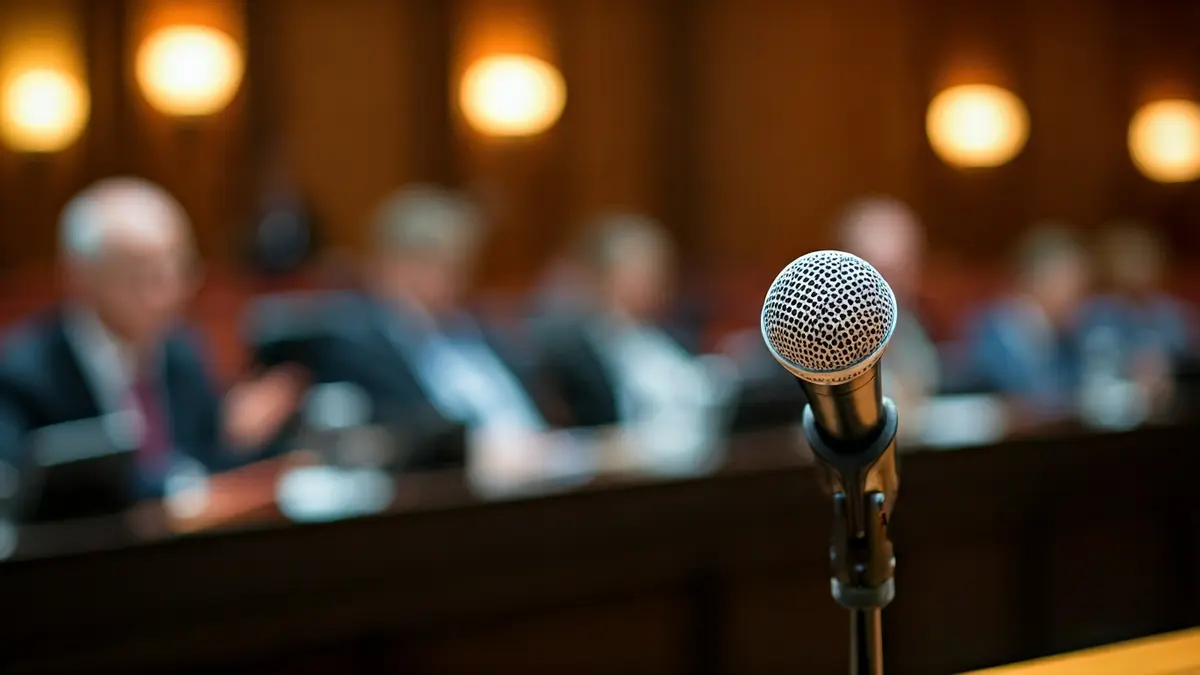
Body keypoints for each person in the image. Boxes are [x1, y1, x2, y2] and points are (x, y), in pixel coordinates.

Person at [227, 185, 553, 458]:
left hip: (540, 459)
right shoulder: (355, 339)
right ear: (396, 263)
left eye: (460, 265)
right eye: (440, 264)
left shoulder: (477, 329)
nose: (456, 279)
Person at [0, 177, 223, 504]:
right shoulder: (23, 374)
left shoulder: (182, 350)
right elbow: (18, 496)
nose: (168, 293)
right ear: (81, 278)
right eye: (143, 277)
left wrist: (240, 437)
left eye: (179, 270)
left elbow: (206, 458)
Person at [533, 214, 729, 430]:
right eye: (639, 272)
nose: (652, 282)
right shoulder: (573, 352)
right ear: (605, 276)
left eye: (657, 270)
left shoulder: (677, 334)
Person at [964, 226, 1091, 419]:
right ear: (1040, 280)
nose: (1079, 297)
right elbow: (1017, 398)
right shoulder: (993, 328)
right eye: (1071, 283)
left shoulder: (1064, 334)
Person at [837, 197, 940, 418]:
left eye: (903, 269)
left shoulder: (912, 325)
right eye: (877, 271)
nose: (889, 288)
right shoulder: (807, 345)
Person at [1078, 224, 1192, 409]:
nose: (1137, 270)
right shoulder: (1096, 312)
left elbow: (1186, 358)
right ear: (1113, 266)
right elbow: (1093, 366)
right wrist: (1130, 366)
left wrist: (1163, 365)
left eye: (1143, 260)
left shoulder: (1172, 312)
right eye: (1129, 261)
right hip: (1116, 404)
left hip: (1171, 402)